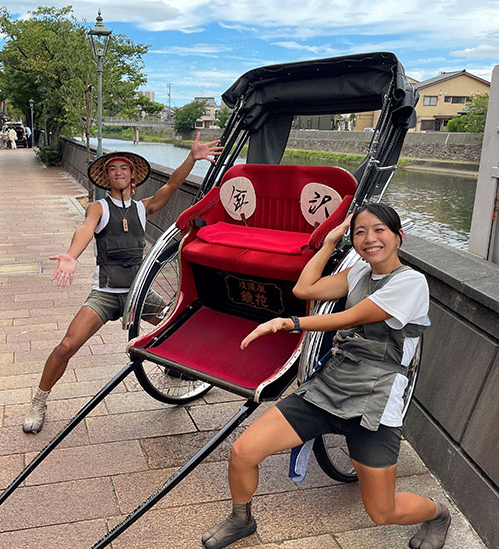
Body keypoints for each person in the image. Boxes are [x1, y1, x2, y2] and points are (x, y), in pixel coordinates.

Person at [201, 203, 450, 549]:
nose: (369, 239)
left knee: (382, 511)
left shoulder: (411, 282)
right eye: (360, 232)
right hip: (330, 386)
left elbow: (353, 317)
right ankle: (241, 518)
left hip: (374, 402)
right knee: (244, 451)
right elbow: (305, 289)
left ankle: (438, 513)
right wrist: (330, 242)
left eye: (379, 230)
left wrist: (291, 323)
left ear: (398, 236)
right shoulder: (359, 274)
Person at [23, 133, 222, 434]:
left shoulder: (144, 207)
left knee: (178, 325)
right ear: (106, 177)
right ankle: (39, 401)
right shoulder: (99, 208)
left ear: (132, 176)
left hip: (139, 293)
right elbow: (85, 229)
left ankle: (174, 365)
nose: (118, 172)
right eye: (113, 169)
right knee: (66, 346)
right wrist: (71, 255)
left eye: (123, 168)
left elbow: (172, 186)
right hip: (105, 294)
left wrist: (192, 158)